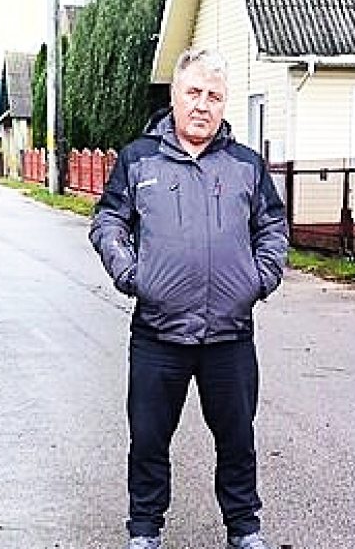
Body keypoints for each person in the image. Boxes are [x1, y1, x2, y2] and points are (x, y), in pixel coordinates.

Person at [89, 48, 288, 549]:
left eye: (213, 96)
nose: (202, 104)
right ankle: (144, 531)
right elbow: (109, 220)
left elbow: (272, 226)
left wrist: (259, 279)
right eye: (194, 92)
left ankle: (244, 530)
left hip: (229, 334)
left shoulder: (246, 165)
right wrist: (131, 274)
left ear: (224, 104)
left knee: (237, 439)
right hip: (158, 333)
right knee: (149, 439)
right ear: (175, 96)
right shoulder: (139, 159)